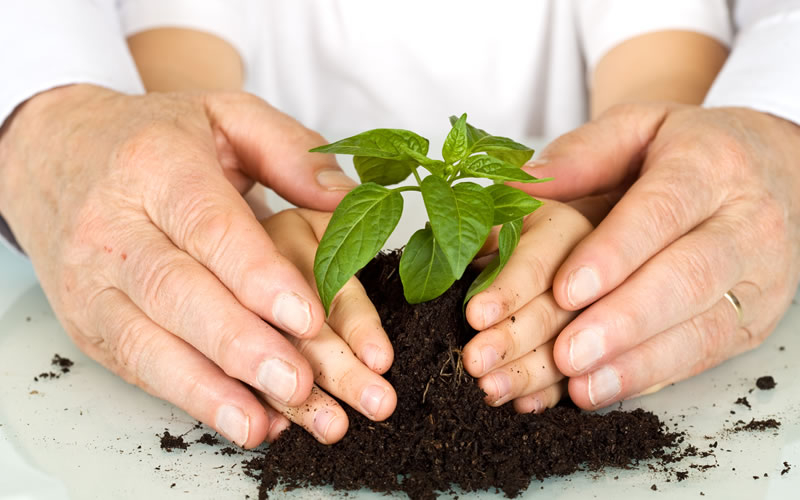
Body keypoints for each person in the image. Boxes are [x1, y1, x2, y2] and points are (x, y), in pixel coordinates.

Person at [1, 0, 798, 448]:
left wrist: (636, 199)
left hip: (567, 290)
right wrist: (207, 205)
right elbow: (179, 65)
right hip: (288, 258)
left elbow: (659, 60)